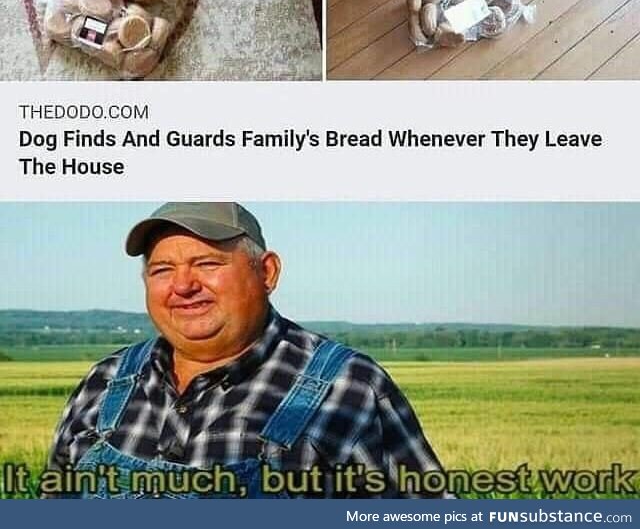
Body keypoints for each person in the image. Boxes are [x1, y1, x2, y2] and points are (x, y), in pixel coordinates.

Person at [47, 202, 450, 499]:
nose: (183, 286)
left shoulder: (349, 386)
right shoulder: (105, 382)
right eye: (162, 270)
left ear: (267, 272)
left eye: (207, 263)